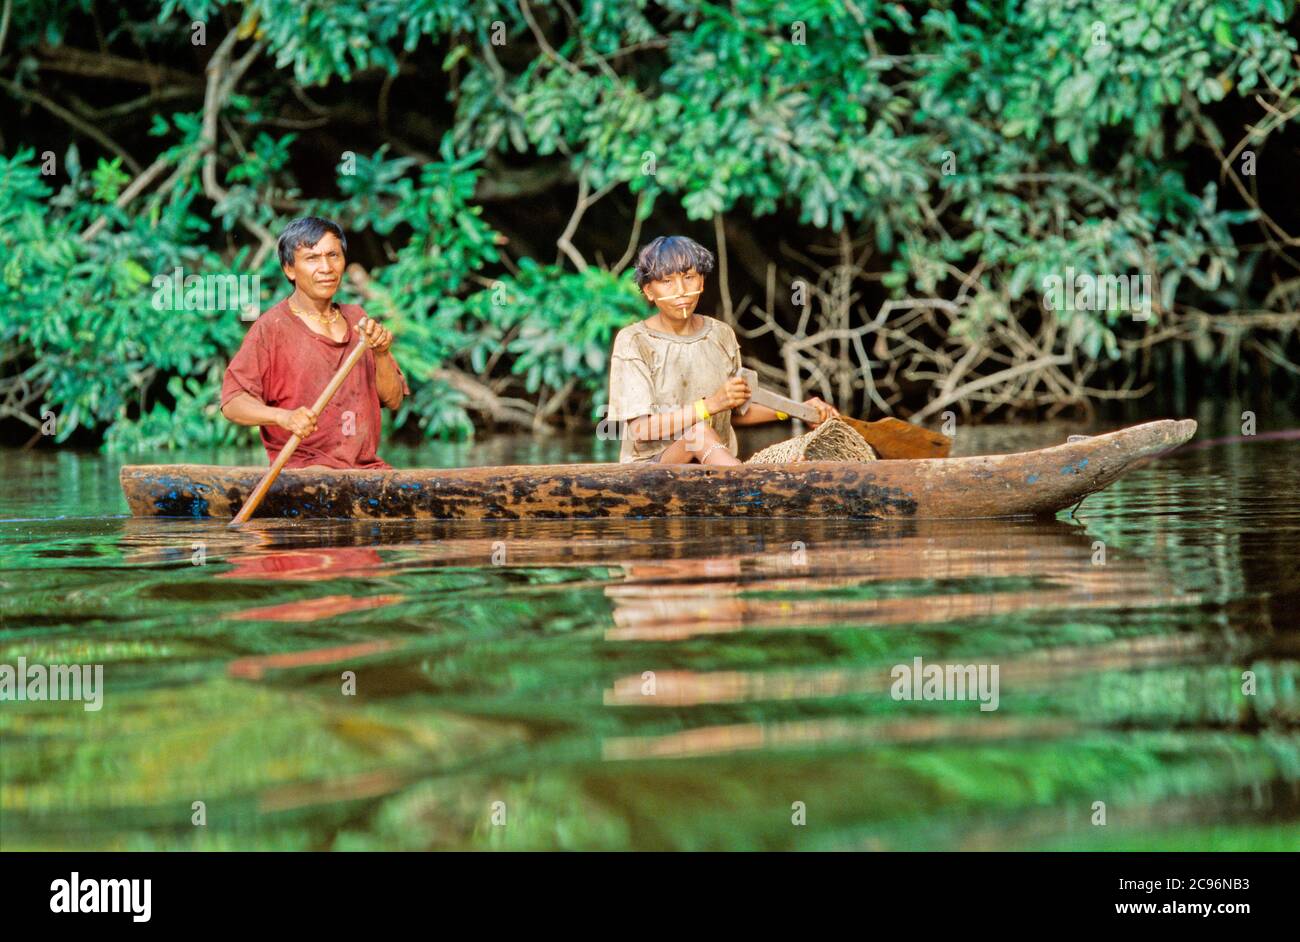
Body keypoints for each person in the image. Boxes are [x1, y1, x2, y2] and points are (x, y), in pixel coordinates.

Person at [605, 235, 838, 465]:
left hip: (714, 462)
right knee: (697, 434)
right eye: (667, 282)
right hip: (653, 468)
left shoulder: (721, 334)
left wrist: (795, 410)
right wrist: (710, 405)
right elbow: (641, 429)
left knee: (704, 435)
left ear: (702, 282)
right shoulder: (634, 341)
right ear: (649, 291)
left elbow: (736, 413)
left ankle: (739, 480)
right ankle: (746, 485)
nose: (681, 290)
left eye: (689, 278)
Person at [220, 216, 409, 469]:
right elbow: (232, 403)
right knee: (321, 476)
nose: (327, 268)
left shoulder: (358, 320)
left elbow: (394, 400)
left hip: (367, 471)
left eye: (333, 255)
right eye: (312, 258)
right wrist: (283, 417)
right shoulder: (272, 328)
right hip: (306, 474)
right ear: (289, 269)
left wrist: (382, 353)